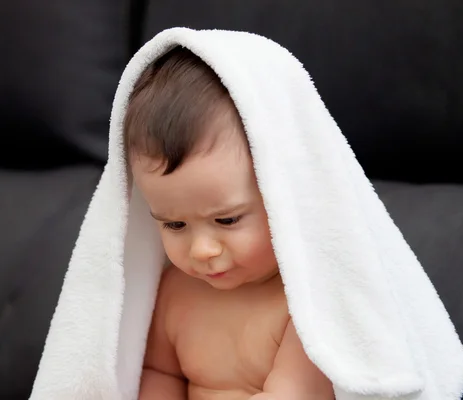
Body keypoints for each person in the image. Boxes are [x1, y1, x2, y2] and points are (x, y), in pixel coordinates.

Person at [123, 45, 334, 400]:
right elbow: (158, 372)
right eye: (174, 225)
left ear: (284, 197)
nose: (201, 250)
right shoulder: (175, 292)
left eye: (227, 219)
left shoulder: (309, 302)